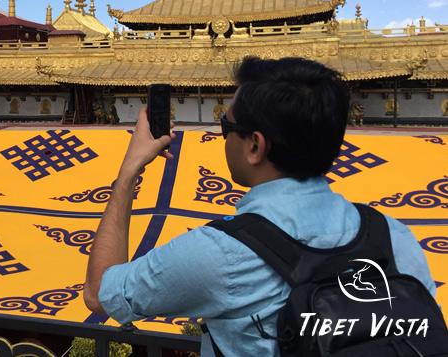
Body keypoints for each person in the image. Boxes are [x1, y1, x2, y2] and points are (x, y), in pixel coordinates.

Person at [83, 56, 436, 356]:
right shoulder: (393, 234)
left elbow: (100, 294)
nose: (222, 136)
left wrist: (129, 172)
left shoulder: (223, 253)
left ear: (255, 146)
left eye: (226, 125)